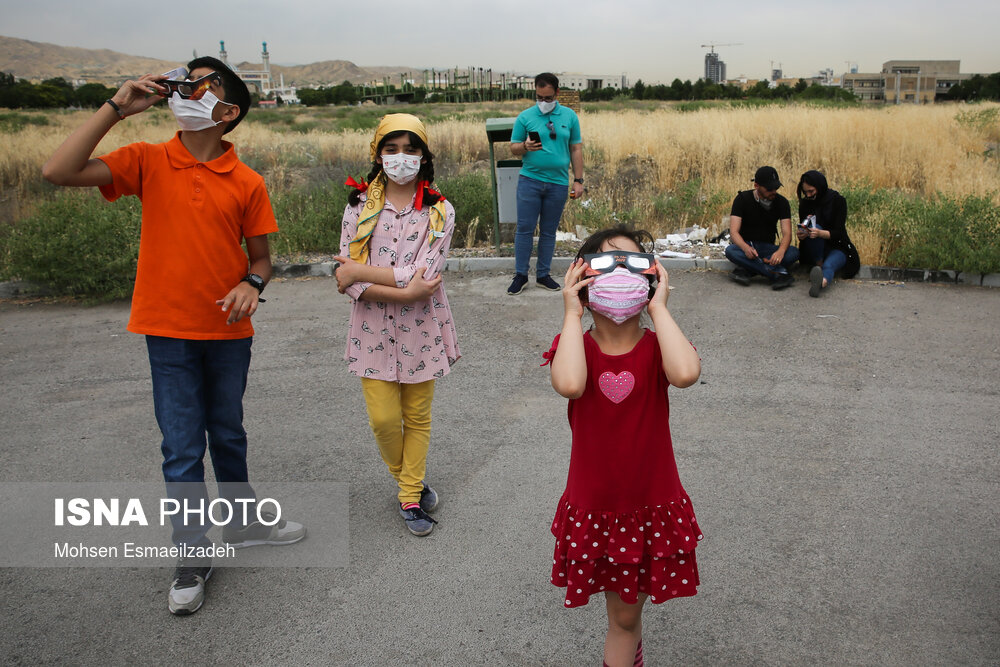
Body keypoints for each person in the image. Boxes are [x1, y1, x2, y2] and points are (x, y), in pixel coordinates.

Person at [41, 56, 304, 616]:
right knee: (181, 449)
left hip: (229, 334)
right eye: (179, 81)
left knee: (228, 432)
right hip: (166, 333)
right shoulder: (147, 161)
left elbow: (261, 260)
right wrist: (116, 108)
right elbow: (57, 172)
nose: (181, 89)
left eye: (197, 84)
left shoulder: (248, 181)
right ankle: (191, 555)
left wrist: (251, 284)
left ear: (227, 110)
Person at [542, 225, 704, 667]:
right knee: (624, 617)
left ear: (651, 277)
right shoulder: (574, 347)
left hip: (650, 505)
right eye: (604, 263)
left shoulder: (657, 347)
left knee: (627, 614)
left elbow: (687, 373)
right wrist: (572, 315)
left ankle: (630, 651)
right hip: (597, 508)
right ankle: (629, 650)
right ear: (582, 278)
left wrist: (661, 310)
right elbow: (571, 384)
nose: (618, 272)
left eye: (631, 263)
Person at [333, 114, 460, 537]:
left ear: (424, 156)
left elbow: (426, 274)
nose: (401, 157)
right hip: (371, 331)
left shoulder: (440, 211)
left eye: (410, 148)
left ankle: (409, 495)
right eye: (391, 149)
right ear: (378, 154)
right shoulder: (358, 206)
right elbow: (345, 279)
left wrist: (367, 275)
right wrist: (403, 288)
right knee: (384, 421)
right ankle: (410, 478)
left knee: (417, 417)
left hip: (421, 330)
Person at [506, 72, 585, 295]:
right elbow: (513, 147)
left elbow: (576, 148)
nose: (543, 103)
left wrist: (578, 180)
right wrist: (524, 146)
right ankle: (520, 275)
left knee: (549, 231)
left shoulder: (569, 117)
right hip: (530, 181)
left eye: (548, 98)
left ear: (557, 93)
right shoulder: (525, 117)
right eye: (539, 97)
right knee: (524, 229)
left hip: (558, 183)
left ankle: (543, 274)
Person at [724, 165, 799, 289]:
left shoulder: (782, 202)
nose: (773, 192)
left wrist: (780, 252)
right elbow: (734, 232)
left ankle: (747, 269)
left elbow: (787, 234)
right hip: (748, 246)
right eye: (769, 189)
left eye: (776, 188)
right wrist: (745, 248)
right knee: (730, 251)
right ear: (756, 186)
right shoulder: (742, 199)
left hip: (768, 248)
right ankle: (777, 274)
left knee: (793, 252)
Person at [796, 170, 861, 297]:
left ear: (819, 187)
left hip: (837, 246)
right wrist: (802, 234)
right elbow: (804, 226)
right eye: (806, 192)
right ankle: (818, 266)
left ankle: (821, 282)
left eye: (811, 191)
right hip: (815, 249)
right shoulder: (805, 203)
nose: (808, 195)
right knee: (812, 227)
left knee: (830, 264)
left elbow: (839, 233)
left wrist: (820, 233)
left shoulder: (837, 201)